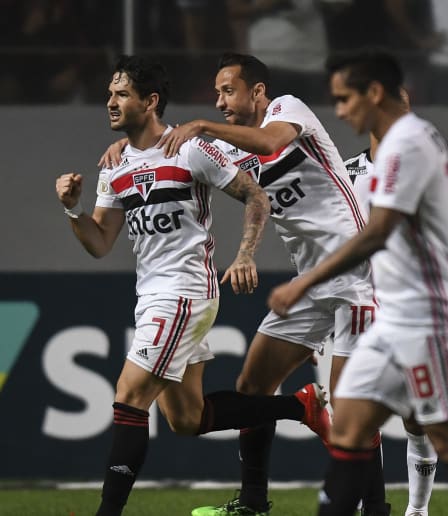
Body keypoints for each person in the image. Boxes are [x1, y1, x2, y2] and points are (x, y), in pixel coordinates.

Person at [99, 52, 389, 515]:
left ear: (257, 91)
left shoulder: (287, 110)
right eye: (215, 94)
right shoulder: (230, 147)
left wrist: (203, 127)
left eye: (228, 91)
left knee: (352, 411)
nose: (219, 102)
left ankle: (376, 509)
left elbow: (271, 144)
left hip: (355, 273)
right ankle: (254, 501)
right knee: (254, 385)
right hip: (310, 282)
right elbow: (192, 159)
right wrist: (130, 151)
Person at [55, 55, 327, 516]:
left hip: (185, 292)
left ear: (151, 101)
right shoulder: (113, 167)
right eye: (110, 94)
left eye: (122, 94)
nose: (111, 102)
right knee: (187, 419)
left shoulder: (189, 148)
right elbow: (100, 241)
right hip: (151, 297)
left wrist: (244, 254)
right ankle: (301, 409)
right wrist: (72, 210)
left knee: (128, 395)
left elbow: (254, 194)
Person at [268, 49, 448, 515]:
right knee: (349, 422)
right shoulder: (398, 146)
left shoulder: (409, 143)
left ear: (373, 93)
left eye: (344, 99)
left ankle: (420, 509)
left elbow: (379, 232)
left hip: (426, 318)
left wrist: (304, 285)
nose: (338, 111)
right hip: (391, 320)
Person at [344, 88, 448, 516]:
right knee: (353, 419)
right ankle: (373, 508)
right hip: (357, 309)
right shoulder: (345, 173)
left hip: (413, 311)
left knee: (420, 420)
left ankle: (417, 510)